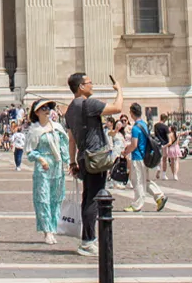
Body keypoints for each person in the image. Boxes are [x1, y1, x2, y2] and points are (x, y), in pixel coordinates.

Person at [66, 71, 124, 259]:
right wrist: (119, 90)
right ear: (81, 87)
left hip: (83, 158)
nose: (92, 85)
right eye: (89, 83)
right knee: (94, 199)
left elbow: (72, 139)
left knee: (87, 198)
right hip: (96, 157)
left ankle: (87, 239)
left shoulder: (70, 109)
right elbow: (117, 108)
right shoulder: (88, 104)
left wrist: (73, 161)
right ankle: (88, 241)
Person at [26, 99, 71, 245]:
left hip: (57, 168)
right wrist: (40, 159)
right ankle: (47, 231)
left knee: (56, 199)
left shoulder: (57, 127)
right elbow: (30, 152)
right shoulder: (34, 130)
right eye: (43, 108)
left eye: (48, 108)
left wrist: (69, 162)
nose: (47, 110)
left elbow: (64, 146)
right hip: (43, 169)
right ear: (36, 112)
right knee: (43, 199)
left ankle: (53, 227)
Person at [122, 103, 168, 213]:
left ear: (132, 113)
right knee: (145, 180)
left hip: (137, 157)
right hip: (145, 157)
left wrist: (126, 151)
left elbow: (134, 144)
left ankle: (137, 205)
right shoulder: (144, 125)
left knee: (137, 181)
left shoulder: (135, 128)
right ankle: (159, 196)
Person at [153, 114, 170, 180]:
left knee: (159, 158)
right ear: (165, 119)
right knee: (164, 159)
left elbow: (155, 134)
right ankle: (164, 174)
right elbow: (168, 136)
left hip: (157, 143)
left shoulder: (156, 125)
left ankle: (158, 168)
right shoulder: (165, 127)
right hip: (164, 143)